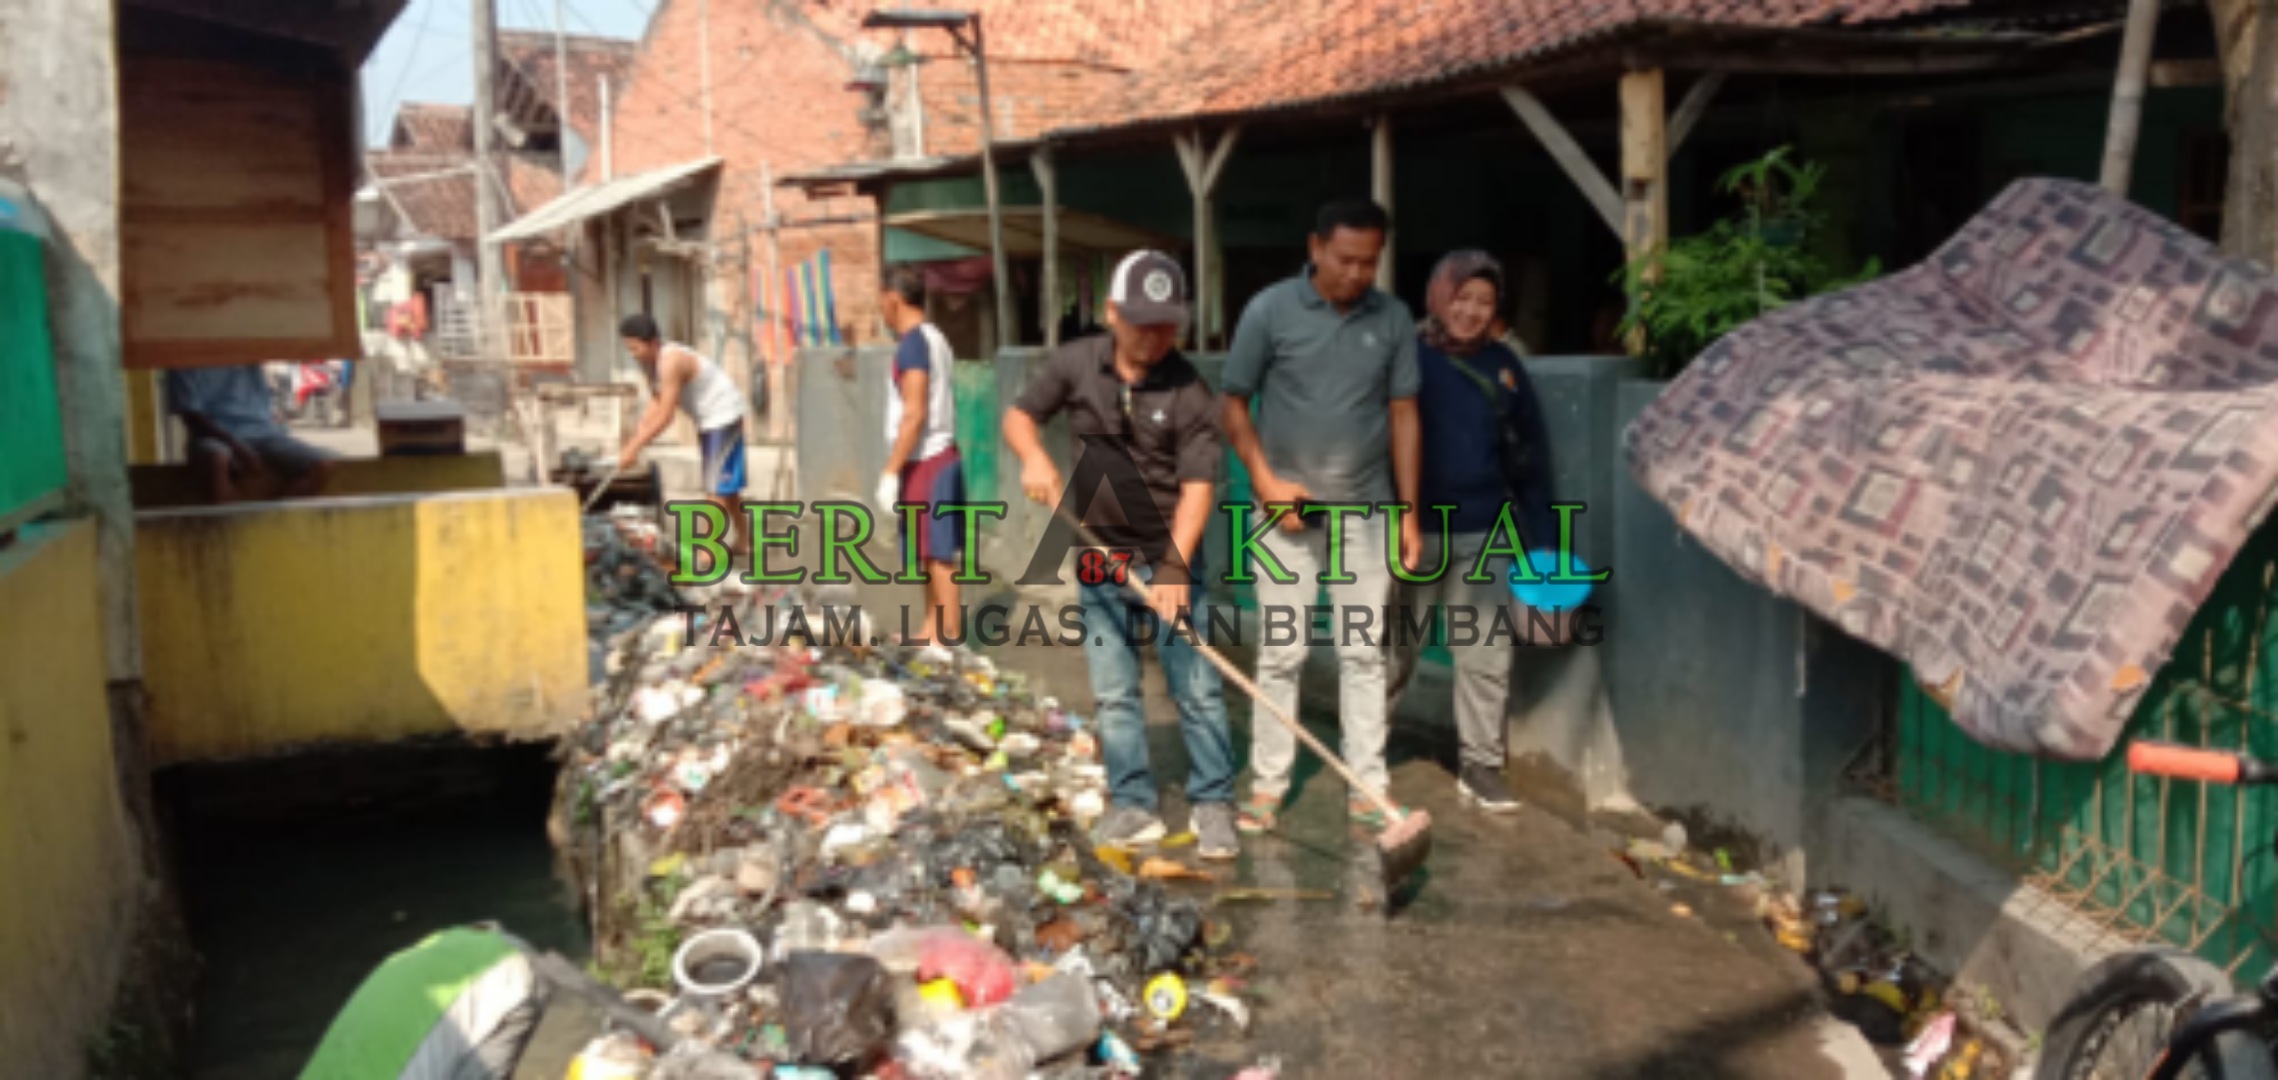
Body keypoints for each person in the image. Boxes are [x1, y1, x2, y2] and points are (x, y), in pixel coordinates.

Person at [1004, 250, 1239, 859]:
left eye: (1166, 324)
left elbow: (1198, 488)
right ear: (1112, 313)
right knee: (1114, 690)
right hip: (1097, 552)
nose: (1155, 336)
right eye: (1141, 322)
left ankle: (1213, 801)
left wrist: (1174, 567)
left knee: (1197, 687)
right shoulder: (1076, 363)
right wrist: (1034, 456)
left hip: (1169, 552)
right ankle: (1133, 804)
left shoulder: (1190, 390)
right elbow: (1020, 416)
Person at [1221, 198, 1424, 833]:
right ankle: (1269, 782)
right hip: (1284, 516)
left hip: (1367, 513)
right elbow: (1233, 403)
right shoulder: (1269, 310)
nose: (1357, 274)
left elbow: (1403, 415)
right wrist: (1264, 482)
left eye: (1370, 262)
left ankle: (1367, 782)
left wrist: (1409, 516)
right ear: (1315, 249)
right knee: (1282, 651)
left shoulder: (1391, 318)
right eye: (1345, 260)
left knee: (1362, 652)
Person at [1386, 251, 1557, 813]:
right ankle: (1365, 749)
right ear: (1439, 296)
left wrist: (1541, 544)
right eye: (1463, 298)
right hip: (1416, 533)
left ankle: (1481, 766)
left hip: (1486, 533)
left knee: (1484, 654)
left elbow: (1530, 458)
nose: (1472, 311)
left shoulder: (1506, 367)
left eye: (1484, 302)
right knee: (1396, 650)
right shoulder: (1408, 357)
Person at [877, 263, 965, 646]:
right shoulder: (934, 338)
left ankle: (950, 640)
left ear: (893, 299)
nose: (879, 309)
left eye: (880, 300)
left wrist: (889, 473)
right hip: (931, 458)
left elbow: (914, 414)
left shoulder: (914, 343)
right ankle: (931, 631)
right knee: (928, 553)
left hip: (929, 460)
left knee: (939, 555)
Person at [618, 314, 749, 556]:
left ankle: (709, 550)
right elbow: (657, 400)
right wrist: (638, 435)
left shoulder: (672, 361)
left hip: (722, 414)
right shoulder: (649, 362)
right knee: (725, 483)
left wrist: (635, 447)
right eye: (629, 348)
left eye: (636, 347)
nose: (633, 353)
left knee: (716, 486)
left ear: (652, 342)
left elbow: (667, 415)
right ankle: (745, 541)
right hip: (707, 418)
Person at [166, 364, 336, 503]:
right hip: (213, 436)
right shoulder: (184, 361)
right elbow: (191, 417)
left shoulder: (248, 354)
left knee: (323, 464)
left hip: (263, 433)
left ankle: (270, 520)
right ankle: (229, 522)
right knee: (216, 460)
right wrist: (238, 448)